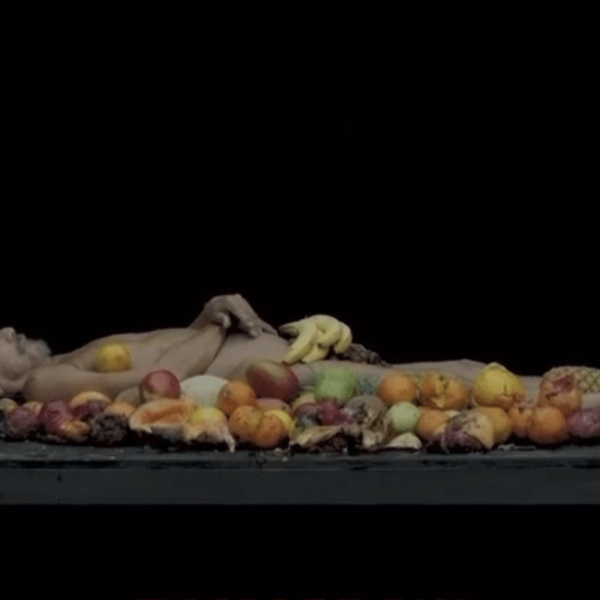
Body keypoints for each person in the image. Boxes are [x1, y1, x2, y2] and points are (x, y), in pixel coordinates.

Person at [0, 293, 572, 405]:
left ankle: (578, 388)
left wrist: (204, 317)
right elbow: (157, 384)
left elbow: (162, 351)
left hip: (287, 363)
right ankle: (582, 397)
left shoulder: (68, 357)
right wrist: (217, 323)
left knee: (460, 371)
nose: (6, 332)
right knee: (460, 381)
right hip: (286, 381)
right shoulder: (42, 383)